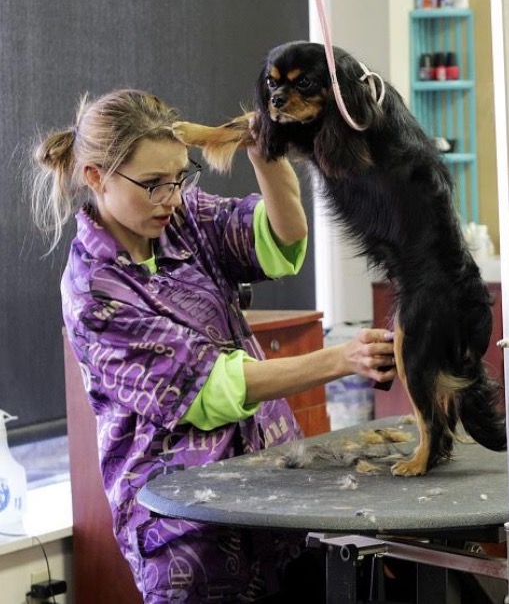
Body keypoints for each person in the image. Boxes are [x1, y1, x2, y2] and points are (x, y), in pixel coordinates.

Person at [31, 89, 396, 603]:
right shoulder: (95, 290)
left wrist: (265, 158)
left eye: (180, 178)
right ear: (95, 177)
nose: (171, 198)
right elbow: (209, 387)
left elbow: (282, 241)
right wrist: (342, 358)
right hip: (186, 531)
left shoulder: (180, 217)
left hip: (269, 494)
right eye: (153, 184)